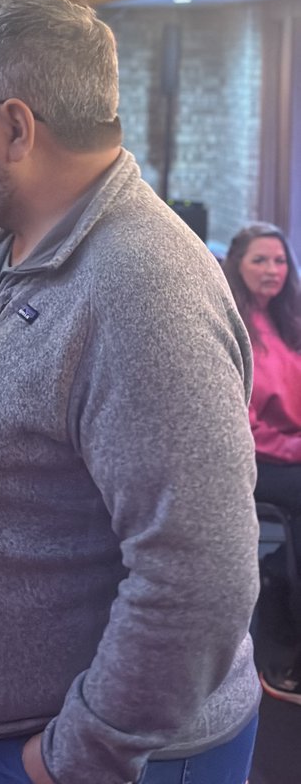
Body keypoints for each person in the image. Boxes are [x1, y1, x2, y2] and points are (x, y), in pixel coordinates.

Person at [0, 0, 261, 784]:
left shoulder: (140, 288)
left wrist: (74, 758)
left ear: (16, 128)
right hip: (15, 743)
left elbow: (200, 576)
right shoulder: (29, 248)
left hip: (96, 762)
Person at [223, 222, 301, 701]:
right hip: (254, 459)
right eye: (260, 260)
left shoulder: (292, 321)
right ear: (237, 265)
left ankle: (275, 580)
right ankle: (288, 647)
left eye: (280, 260)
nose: (273, 270)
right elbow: (240, 423)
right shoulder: (232, 322)